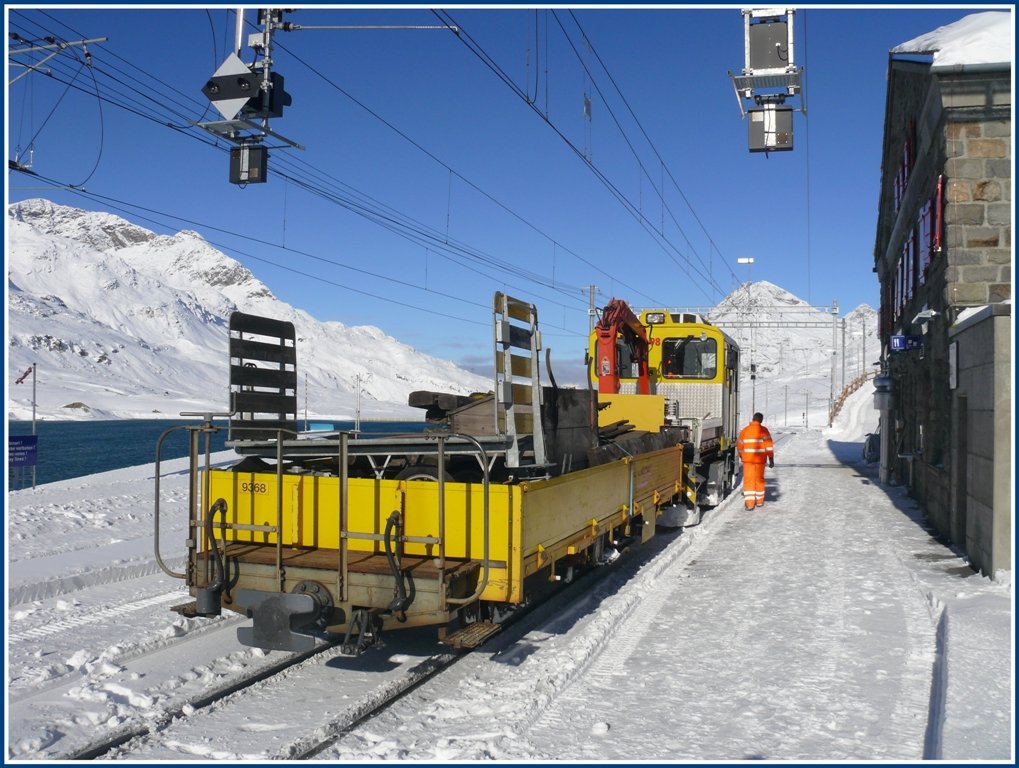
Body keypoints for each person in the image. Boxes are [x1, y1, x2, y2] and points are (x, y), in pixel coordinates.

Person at [737, 412, 774, 510]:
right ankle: (760, 502)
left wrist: (742, 456)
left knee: (749, 481)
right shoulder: (764, 430)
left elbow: (740, 446)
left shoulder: (745, 430)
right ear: (761, 420)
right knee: (759, 480)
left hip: (748, 461)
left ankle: (749, 504)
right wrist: (771, 458)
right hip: (760, 461)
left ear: (753, 419)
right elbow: (769, 445)